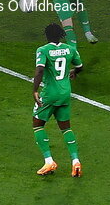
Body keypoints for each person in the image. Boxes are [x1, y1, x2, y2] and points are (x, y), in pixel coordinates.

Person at [32, 23, 83, 177]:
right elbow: (80, 66)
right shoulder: (70, 49)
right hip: (65, 93)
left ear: (47, 36)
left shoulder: (43, 50)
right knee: (66, 127)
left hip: (49, 94)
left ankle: (49, 161)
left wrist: (34, 90)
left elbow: (40, 69)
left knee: (38, 125)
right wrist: (74, 71)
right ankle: (75, 161)